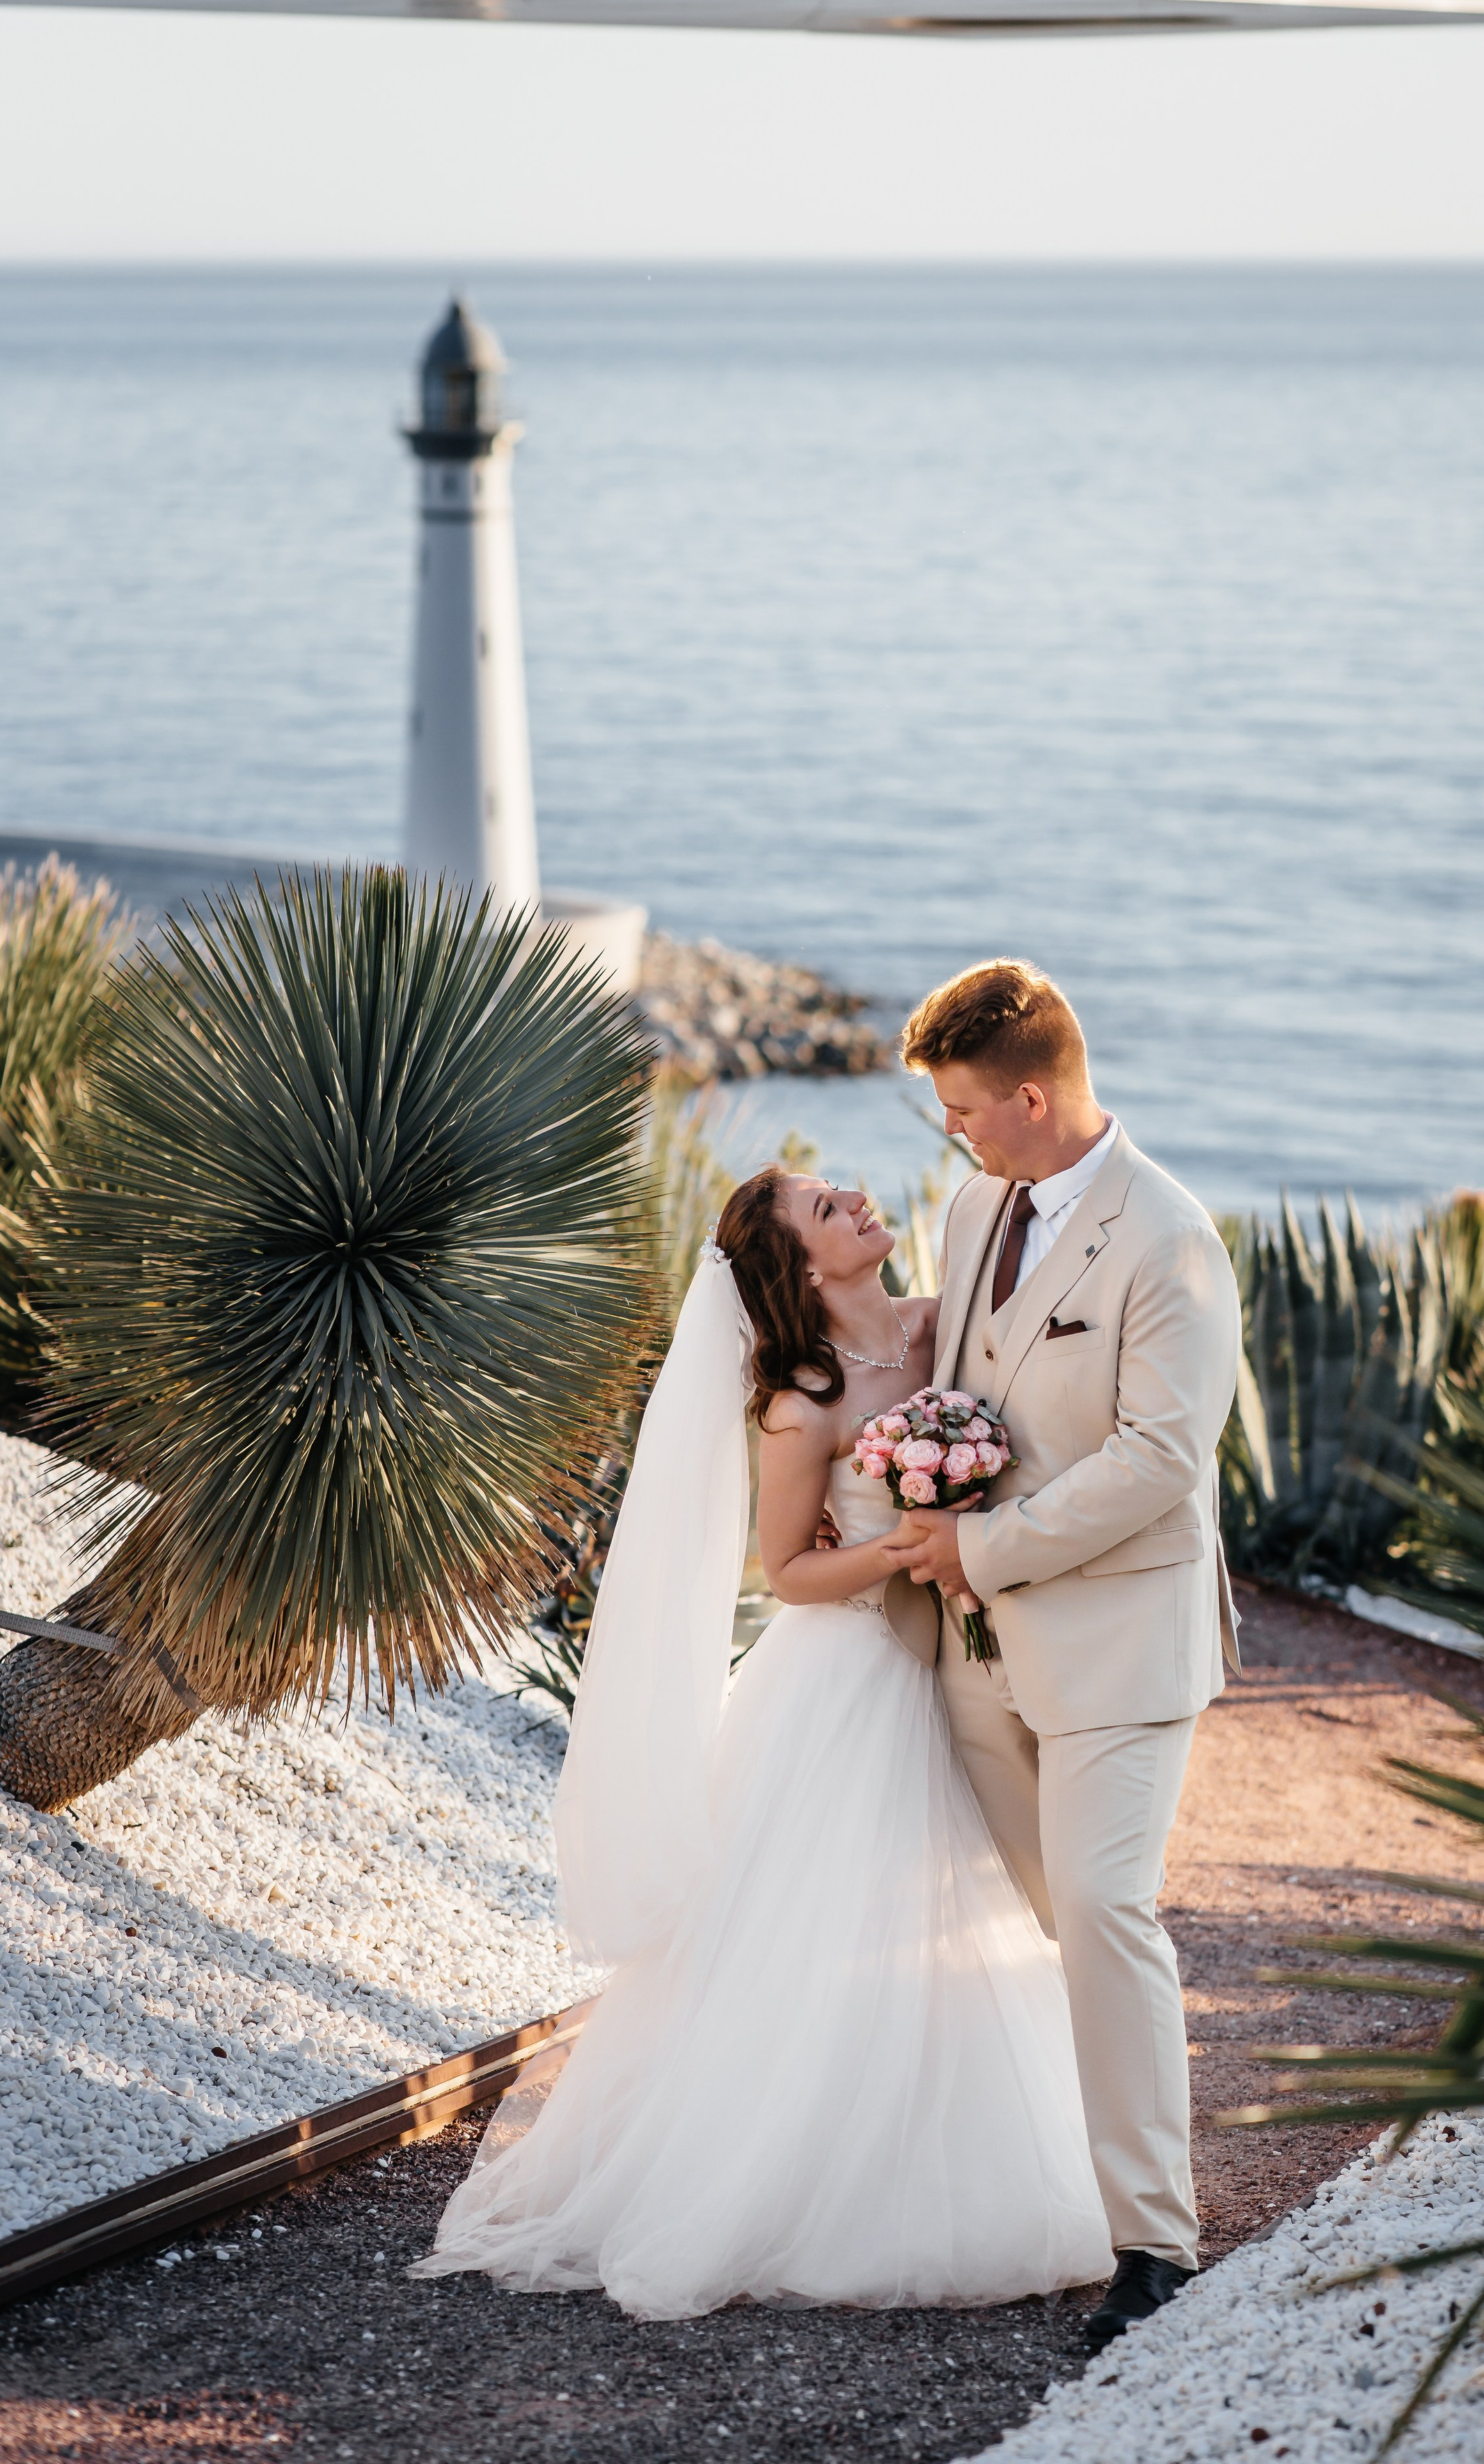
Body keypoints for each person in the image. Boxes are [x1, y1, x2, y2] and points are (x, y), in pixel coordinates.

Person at [413, 1162, 1113, 2321]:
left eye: (842, 1189)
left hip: (965, 1663)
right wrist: (900, 1551)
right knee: (833, 1919)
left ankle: (958, 2156)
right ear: (797, 1268)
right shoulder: (802, 1398)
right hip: (851, 1676)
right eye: (826, 1211)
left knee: (967, 1909)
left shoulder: (947, 1329)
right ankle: (808, 2184)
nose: (855, 1202)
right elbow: (788, 1571)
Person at [881, 958, 1242, 2349]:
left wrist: (977, 1548)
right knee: (1033, 1931)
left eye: (965, 1112)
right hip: (977, 1654)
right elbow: (955, 1382)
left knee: (1102, 1915)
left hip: (1115, 1641)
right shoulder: (977, 1204)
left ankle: (1153, 2246)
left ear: (1031, 1096)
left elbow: (1162, 1460)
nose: (953, 1138)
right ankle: (1027, 2177)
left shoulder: (1169, 1241)